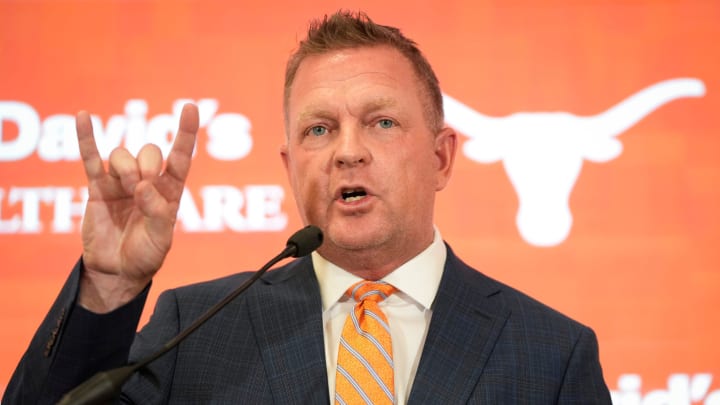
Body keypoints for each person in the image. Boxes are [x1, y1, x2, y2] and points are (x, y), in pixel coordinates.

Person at [3, 10, 611, 404]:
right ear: (290, 168)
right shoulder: (196, 328)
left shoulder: (550, 354)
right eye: (318, 130)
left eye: (382, 122)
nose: (347, 152)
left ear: (442, 158)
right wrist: (109, 287)